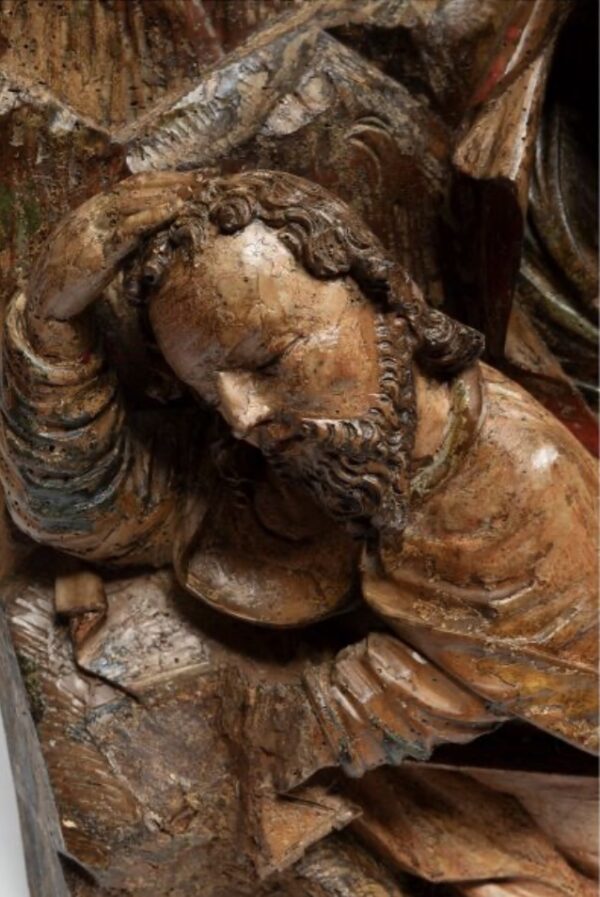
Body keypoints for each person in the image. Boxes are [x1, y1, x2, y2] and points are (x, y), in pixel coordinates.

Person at [0, 170, 596, 783]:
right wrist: (50, 328)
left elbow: (542, 693)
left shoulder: (523, 495)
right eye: (212, 394)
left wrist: (261, 719)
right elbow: (88, 512)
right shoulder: (301, 452)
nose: (243, 418)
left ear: (386, 301)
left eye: (271, 361)